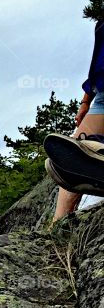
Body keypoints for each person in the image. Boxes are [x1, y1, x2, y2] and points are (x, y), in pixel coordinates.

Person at [51, 16, 104, 223]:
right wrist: (85, 101)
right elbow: (96, 62)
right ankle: (58, 226)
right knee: (73, 158)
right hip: (101, 93)